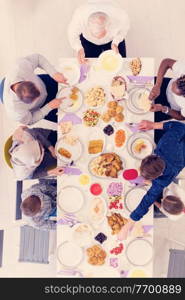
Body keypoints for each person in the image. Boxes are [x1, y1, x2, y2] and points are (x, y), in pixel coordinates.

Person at [118, 120, 185, 240]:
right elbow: (178, 126)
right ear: (153, 156)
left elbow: (146, 202)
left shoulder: (163, 181)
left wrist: (126, 227)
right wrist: (153, 125)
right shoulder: (165, 143)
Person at [3, 53, 67, 124]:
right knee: (67, 119)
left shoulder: (20, 68)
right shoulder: (15, 111)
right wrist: (49, 107)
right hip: (42, 107)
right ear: (24, 103)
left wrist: (54, 73)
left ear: (27, 80)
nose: (41, 95)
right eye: (35, 99)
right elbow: (31, 120)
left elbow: (38, 58)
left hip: (44, 82)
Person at [149, 59, 185, 143]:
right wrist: (158, 85)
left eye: (175, 93)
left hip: (169, 108)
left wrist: (163, 109)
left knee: (142, 122)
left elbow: (181, 116)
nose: (172, 90)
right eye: (175, 83)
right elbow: (166, 62)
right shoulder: (183, 69)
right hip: (162, 84)